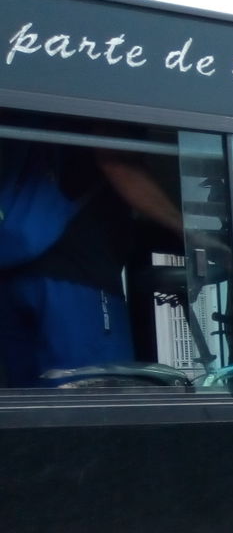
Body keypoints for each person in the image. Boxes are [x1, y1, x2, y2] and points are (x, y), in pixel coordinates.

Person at [0, 139, 182, 387]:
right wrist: (188, 231)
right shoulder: (109, 119)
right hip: (78, 278)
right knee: (98, 392)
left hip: (13, 273)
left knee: (29, 398)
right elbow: (117, 162)